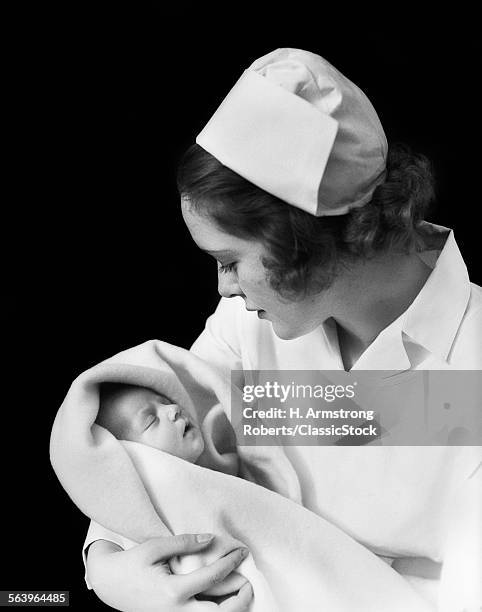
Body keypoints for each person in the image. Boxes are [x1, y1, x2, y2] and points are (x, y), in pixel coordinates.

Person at [86, 48, 482, 611]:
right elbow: (147, 447)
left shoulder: (473, 369)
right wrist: (107, 563)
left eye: (231, 261)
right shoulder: (249, 324)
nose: (224, 288)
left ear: (305, 244)